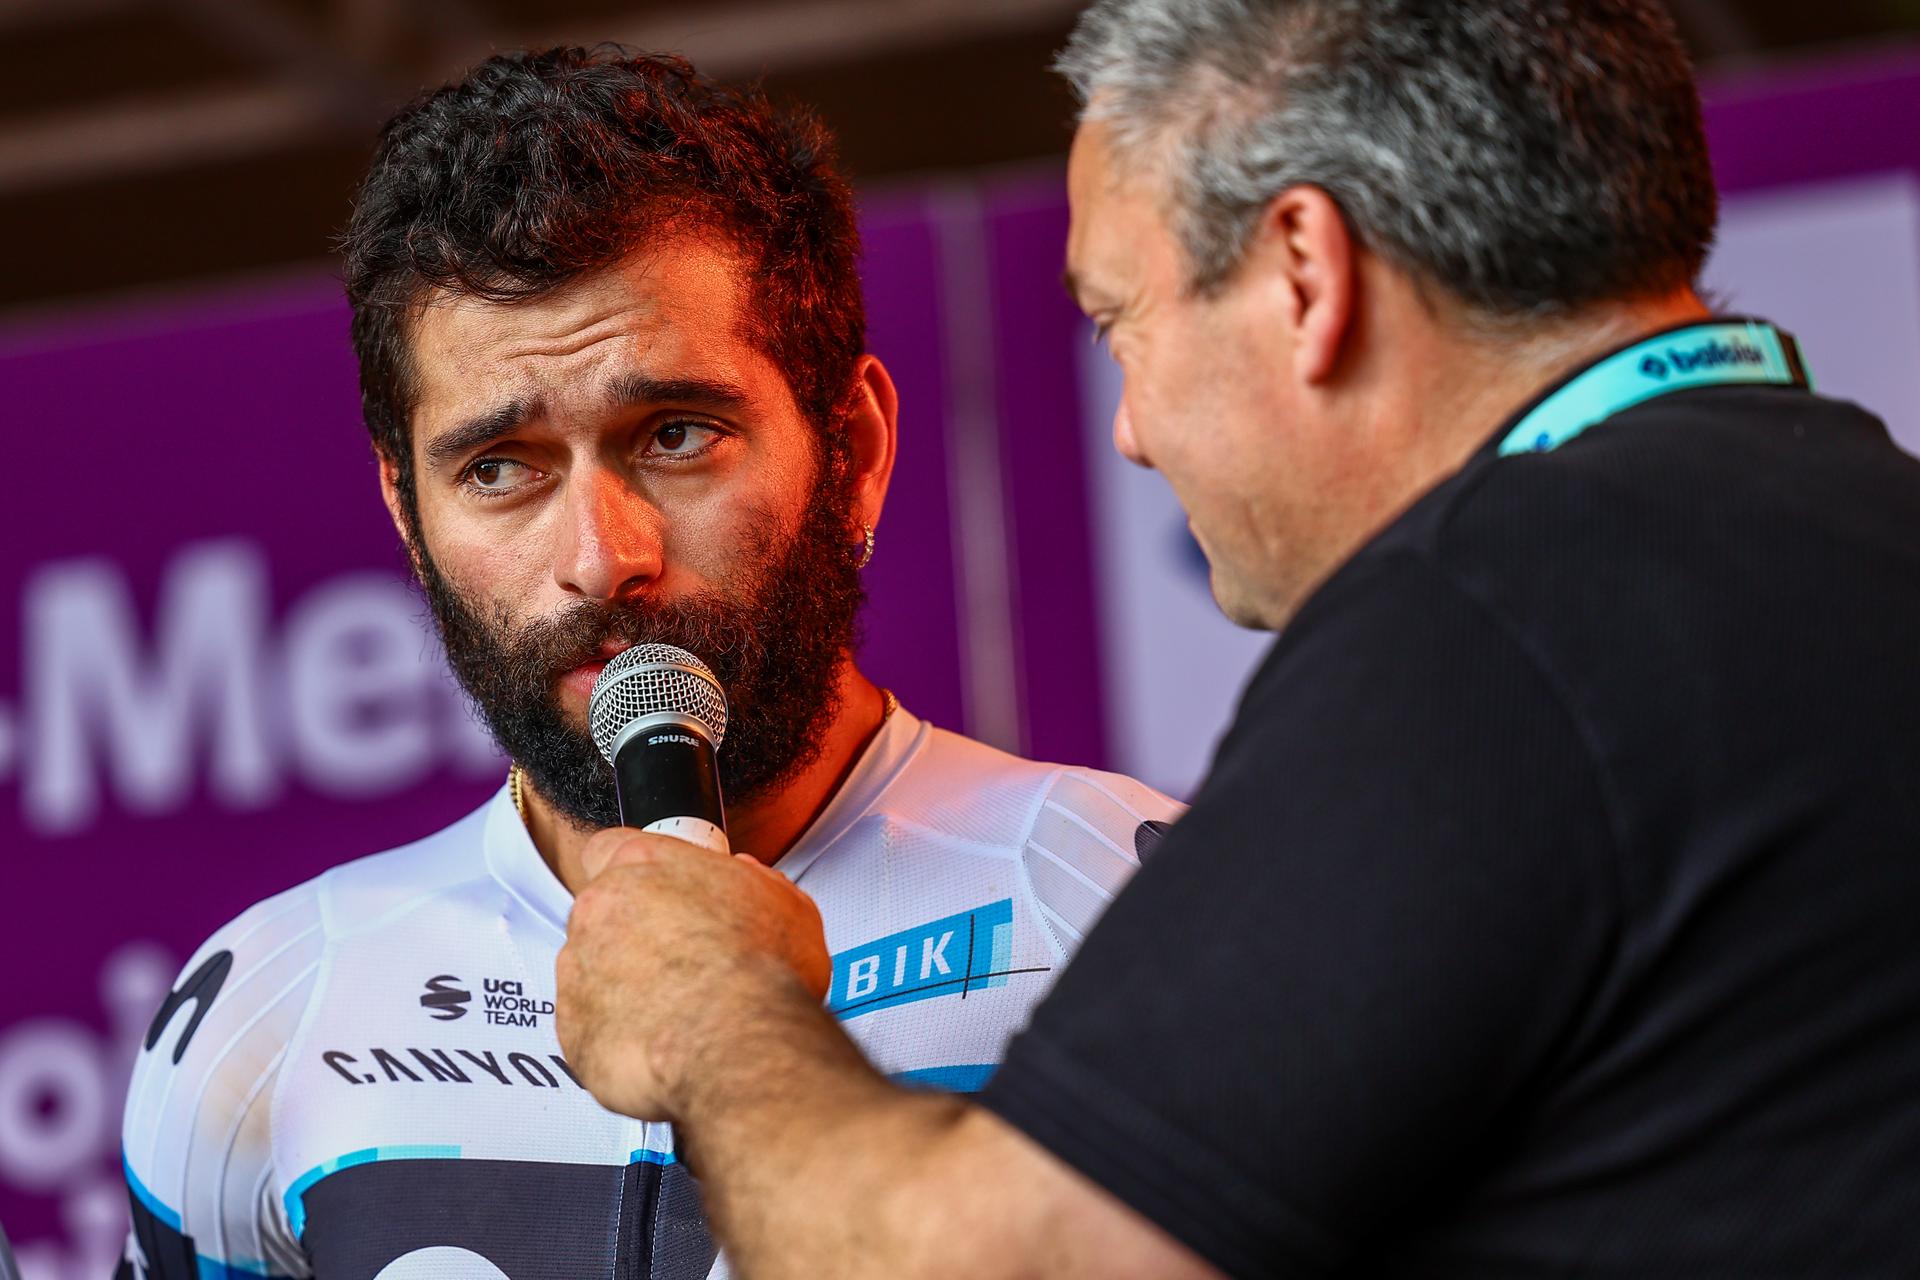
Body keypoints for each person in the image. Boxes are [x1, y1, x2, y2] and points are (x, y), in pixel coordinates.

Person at [553, 0, 1920, 1276]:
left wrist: (715, 1008)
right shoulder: (1856, 521)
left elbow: (982, 1259)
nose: (1129, 431)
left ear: (1303, 271)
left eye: (1120, 322)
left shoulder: (1490, 623)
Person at [117, 48, 1179, 1280]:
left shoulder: (1130, 907)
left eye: (676, 434)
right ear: (407, 514)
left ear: (855, 449)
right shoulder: (266, 1012)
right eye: (499, 467)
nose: (600, 558)